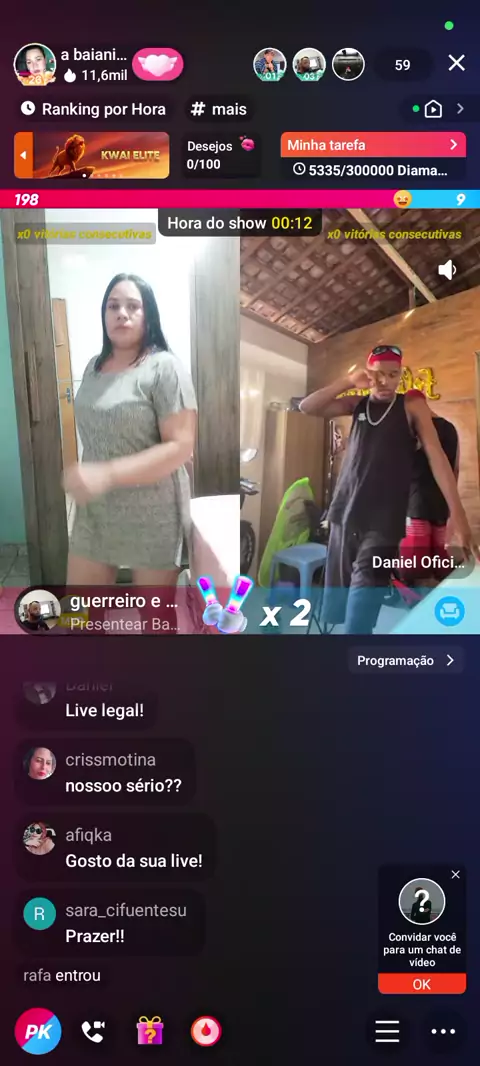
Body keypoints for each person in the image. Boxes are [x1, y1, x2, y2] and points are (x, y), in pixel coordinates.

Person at [300, 346, 477, 634]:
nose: (385, 382)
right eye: (378, 374)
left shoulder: (411, 406)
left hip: (384, 524)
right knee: (337, 606)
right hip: (345, 514)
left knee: (360, 613)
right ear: (367, 374)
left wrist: (459, 515)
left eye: (393, 374)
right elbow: (307, 407)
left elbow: (438, 458)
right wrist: (347, 381)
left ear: (400, 375)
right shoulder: (357, 404)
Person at [63, 274, 197, 587]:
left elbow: (181, 447)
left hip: (152, 513)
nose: (121, 313)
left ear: (148, 315)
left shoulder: (165, 367)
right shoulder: (93, 367)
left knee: (154, 614)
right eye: (113, 306)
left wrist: (107, 474)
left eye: (133, 306)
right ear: (104, 314)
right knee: (78, 610)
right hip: (96, 512)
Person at [398, 390, 459, 584]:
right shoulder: (450, 428)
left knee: (414, 567)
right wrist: (452, 507)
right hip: (441, 504)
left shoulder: (414, 428)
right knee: (440, 563)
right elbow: (455, 469)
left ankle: (420, 600)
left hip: (416, 504)